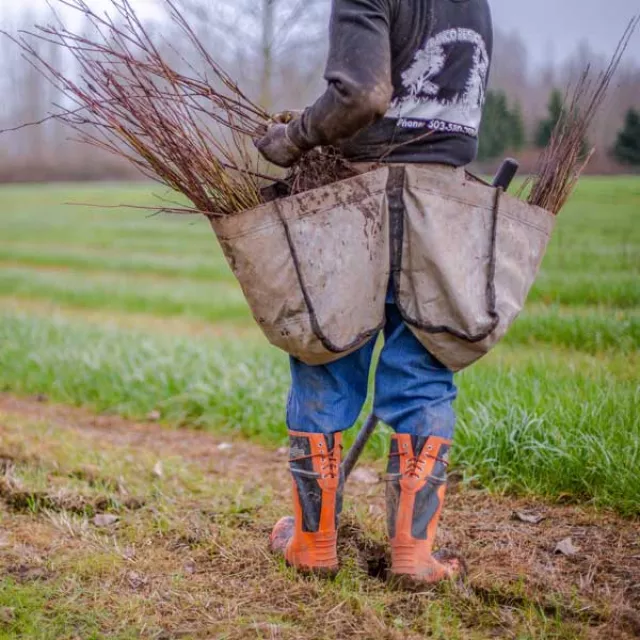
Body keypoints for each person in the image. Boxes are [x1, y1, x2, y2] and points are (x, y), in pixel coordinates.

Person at [256, 0, 493, 587]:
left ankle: (313, 543)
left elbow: (362, 94)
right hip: (447, 207)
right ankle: (414, 557)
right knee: (425, 369)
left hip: (359, 199)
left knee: (328, 351)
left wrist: (294, 137)